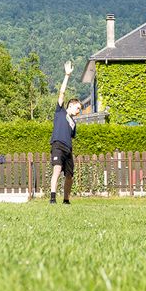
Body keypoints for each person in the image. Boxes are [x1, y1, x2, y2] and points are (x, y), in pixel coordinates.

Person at [49, 60, 82, 204]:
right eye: (78, 108)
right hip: (57, 145)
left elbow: (71, 136)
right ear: (71, 105)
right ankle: (52, 198)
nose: (79, 111)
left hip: (68, 150)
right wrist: (67, 75)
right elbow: (62, 93)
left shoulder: (74, 123)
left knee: (69, 176)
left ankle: (66, 200)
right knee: (57, 169)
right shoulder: (60, 111)